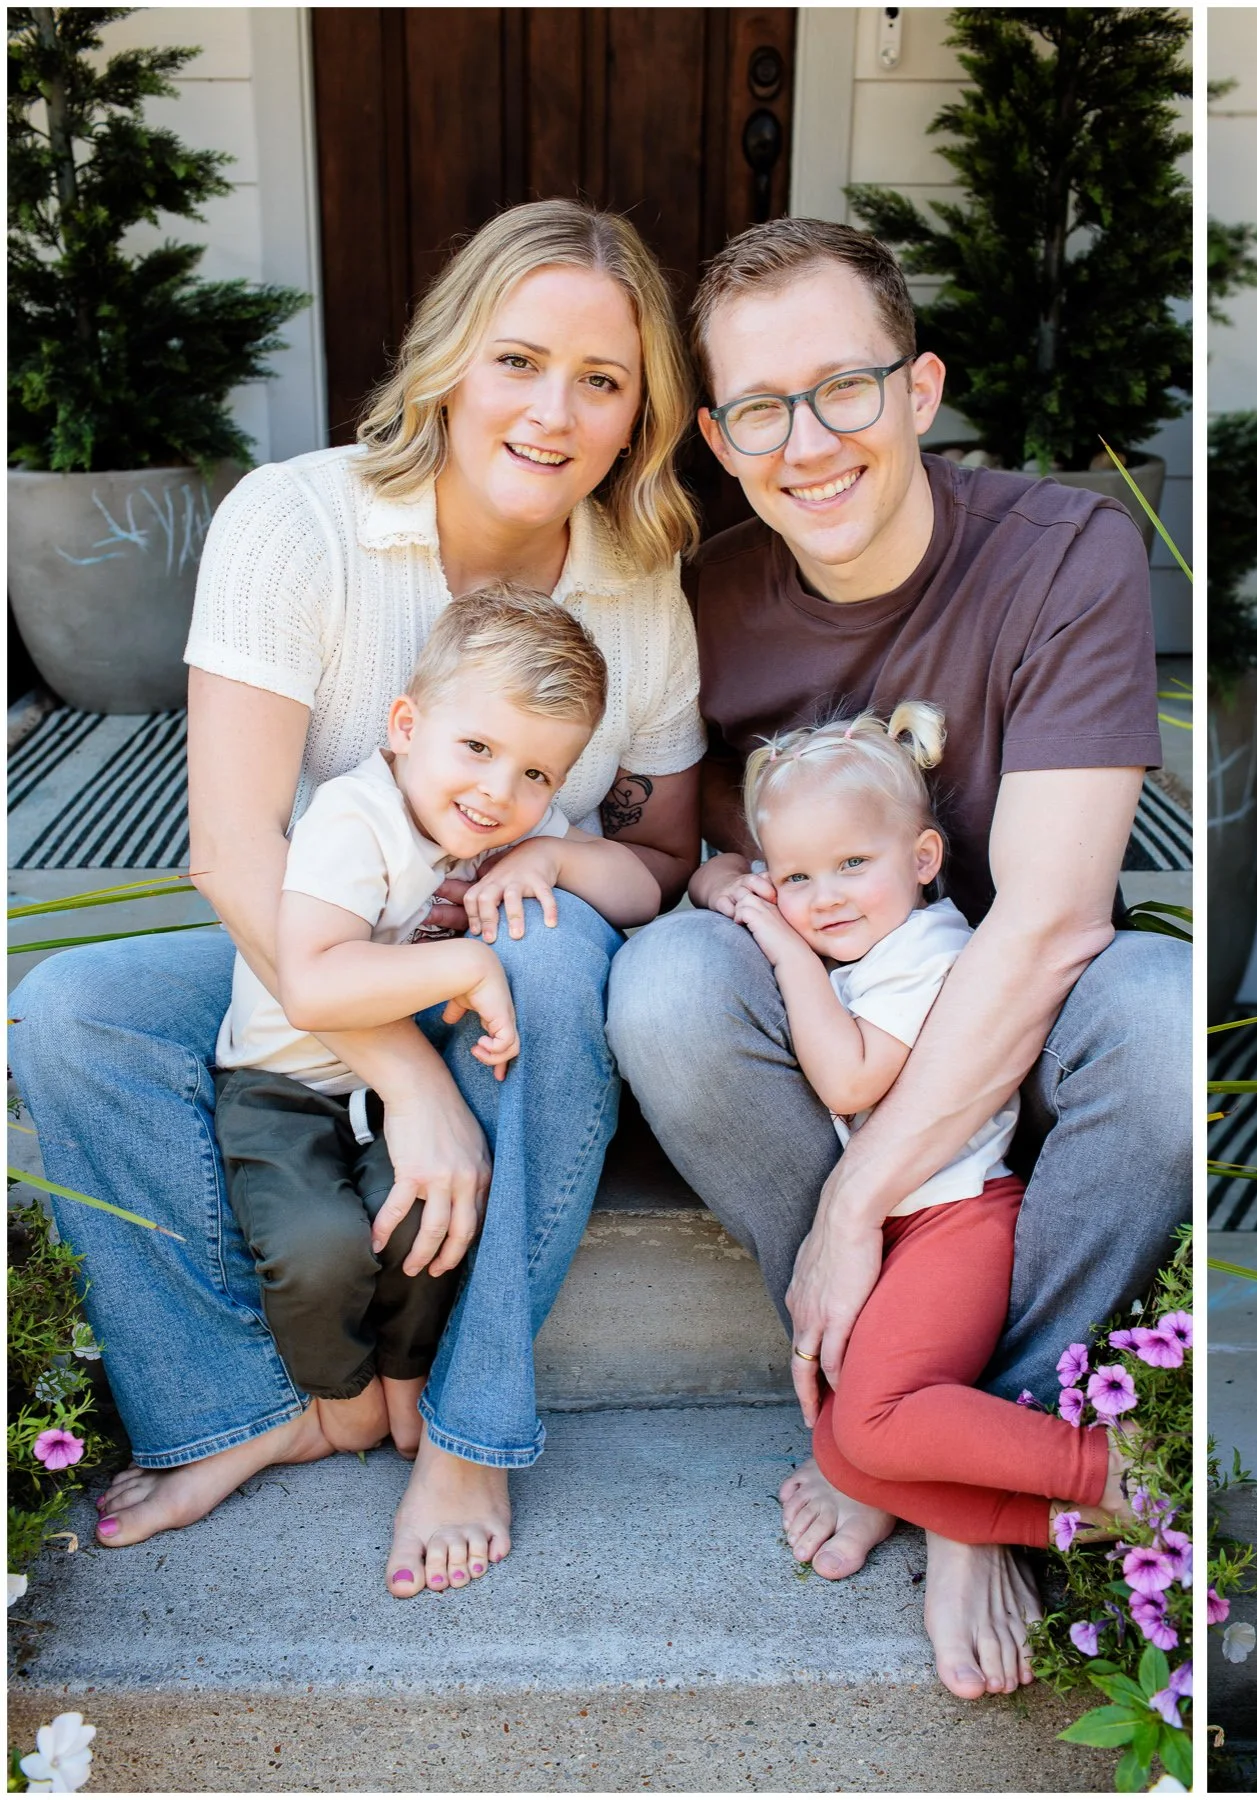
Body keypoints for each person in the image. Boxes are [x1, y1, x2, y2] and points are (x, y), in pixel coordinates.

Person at [10, 199, 706, 1601]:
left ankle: (470, 1429)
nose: (551, 411)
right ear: (449, 359)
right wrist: (408, 1078)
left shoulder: (637, 590)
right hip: (313, 967)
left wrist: (558, 859)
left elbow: (664, 855)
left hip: (506, 1005)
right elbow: (230, 851)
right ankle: (238, 1406)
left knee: (564, 957)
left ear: (641, 417)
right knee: (69, 1012)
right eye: (518, 360)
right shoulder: (299, 524)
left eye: (603, 380)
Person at [605, 217, 1188, 1702]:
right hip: (849, 1037)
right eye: (758, 410)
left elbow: (1054, 920)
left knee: (1160, 1013)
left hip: (1021, 1036)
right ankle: (929, 1439)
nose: (807, 441)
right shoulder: (707, 605)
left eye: (844, 388)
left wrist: (859, 1200)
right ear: (718, 442)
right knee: (667, 989)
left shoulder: (1065, 552)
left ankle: (947, 1463)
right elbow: (677, 838)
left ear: (919, 391)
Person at [214, 587, 661, 1462]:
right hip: (282, 1084)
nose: (499, 791)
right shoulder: (356, 817)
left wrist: (553, 852)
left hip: (392, 1082)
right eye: (478, 748)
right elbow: (311, 982)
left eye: (537, 774)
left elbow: (642, 892)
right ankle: (338, 1405)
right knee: (318, 1253)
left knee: (429, 1222)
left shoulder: (507, 828)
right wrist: (465, 962)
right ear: (407, 725)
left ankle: (407, 1385)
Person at [723, 703, 1136, 1546]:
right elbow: (726, 878)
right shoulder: (873, 944)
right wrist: (718, 883)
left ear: (923, 859)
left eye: (850, 863)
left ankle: (1105, 1470)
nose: (824, 897)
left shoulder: (924, 948)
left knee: (869, 1430)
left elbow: (847, 1078)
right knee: (844, 1459)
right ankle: (1079, 1525)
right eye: (795, 878)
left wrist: (782, 942)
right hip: (909, 1222)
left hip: (958, 1220)